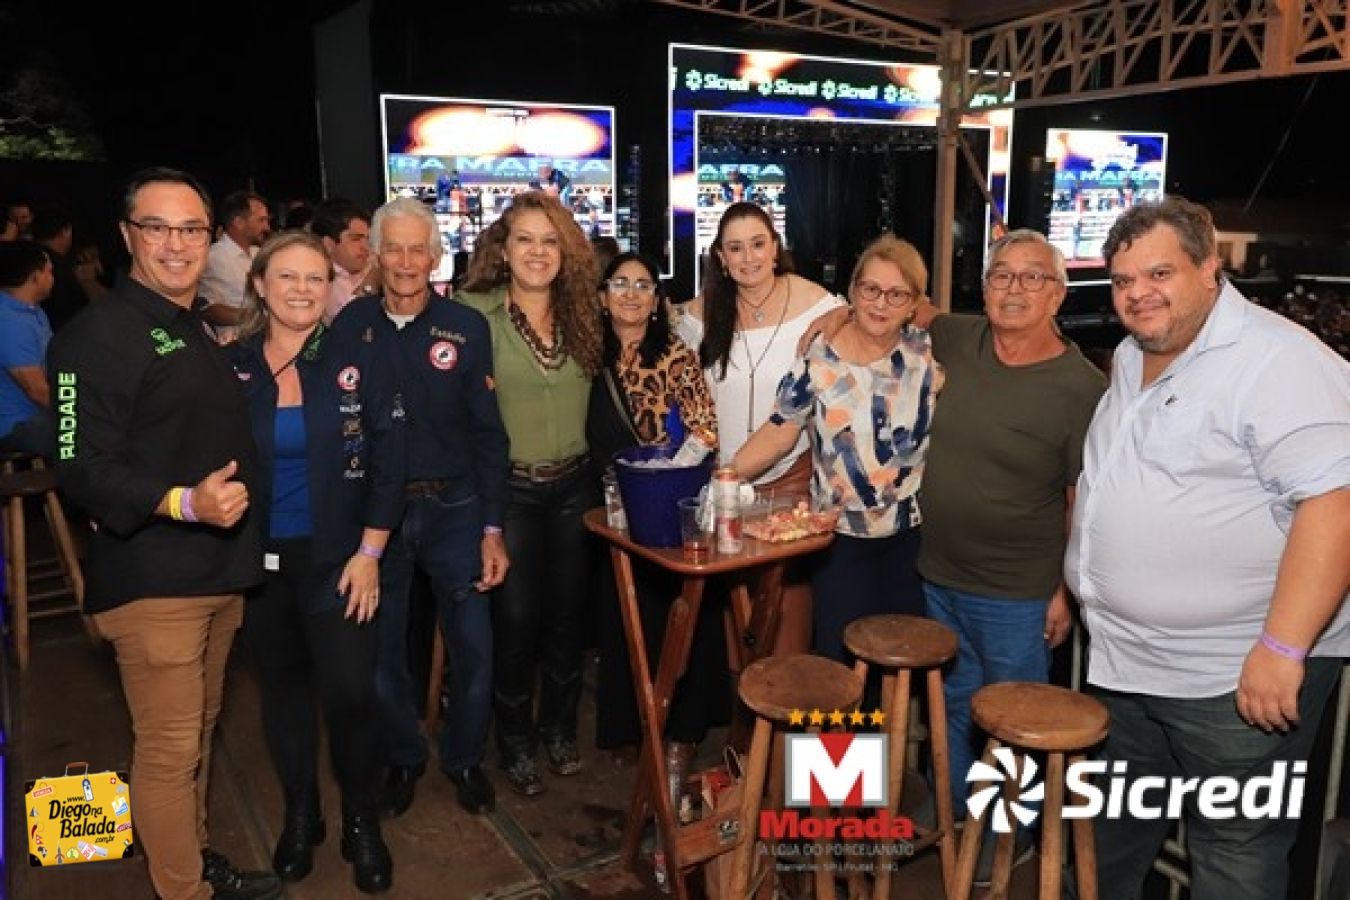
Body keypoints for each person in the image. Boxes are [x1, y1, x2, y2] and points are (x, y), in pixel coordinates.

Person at [1064, 196, 1350, 900]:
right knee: (1111, 833)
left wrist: (1282, 649)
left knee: (1234, 854)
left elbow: (1336, 504)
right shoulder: (1132, 354)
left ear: (1209, 268)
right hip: (1128, 664)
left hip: (1233, 678)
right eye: (1124, 280)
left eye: (1159, 273)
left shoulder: (1278, 360)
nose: (1138, 293)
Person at [47, 167, 278, 900]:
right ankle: (183, 889)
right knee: (170, 750)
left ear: (210, 238)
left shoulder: (189, 324)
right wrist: (183, 504)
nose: (176, 244)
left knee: (198, 733)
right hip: (153, 581)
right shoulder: (94, 337)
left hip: (215, 571)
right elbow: (80, 468)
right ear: (127, 235)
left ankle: (192, 862)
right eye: (157, 227)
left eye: (191, 229)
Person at [227, 230, 405, 893]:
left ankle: (363, 819)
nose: (302, 289)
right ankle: (302, 812)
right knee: (285, 693)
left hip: (343, 561)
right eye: (287, 276)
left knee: (352, 694)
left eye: (314, 278)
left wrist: (370, 552)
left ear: (329, 287)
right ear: (259, 284)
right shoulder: (233, 366)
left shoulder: (359, 359)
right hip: (262, 564)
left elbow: (391, 461)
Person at [330, 197, 510, 818]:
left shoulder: (466, 327)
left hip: (455, 509)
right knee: (381, 648)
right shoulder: (351, 325)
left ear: (435, 257)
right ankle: (404, 756)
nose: (406, 262)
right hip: (376, 523)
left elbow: (489, 434)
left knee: (474, 646)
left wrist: (492, 527)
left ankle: (464, 758)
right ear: (375, 256)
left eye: (418, 250)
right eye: (394, 249)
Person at [730, 235, 940, 660]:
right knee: (840, 667)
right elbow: (779, 430)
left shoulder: (924, 351)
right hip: (840, 542)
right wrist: (725, 478)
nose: (880, 303)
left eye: (896, 294)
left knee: (900, 666)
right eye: (870, 289)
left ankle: (893, 715)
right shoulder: (819, 358)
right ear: (853, 290)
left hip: (911, 541)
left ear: (913, 304)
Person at [457, 190, 602, 797]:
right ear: (503, 248)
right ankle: (514, 739)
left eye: (550, 241)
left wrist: (830, 315)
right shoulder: (471, 314)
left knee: (567, 617)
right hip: (508, 492)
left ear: (566, 252)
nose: (538, 252)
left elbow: (664, 319)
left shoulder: (587, 311)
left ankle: (559, 729)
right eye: (525, 239)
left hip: (576, 487)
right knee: (515, 620)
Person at [674, 201, 845, 654]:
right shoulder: (699, 315)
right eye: (735, 248)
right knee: (736, 617)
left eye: (757, 244)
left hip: (788, 481)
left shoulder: (817, 305)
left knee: (785, 618)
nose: (748, 257)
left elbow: (877, 316)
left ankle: (787, 698)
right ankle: (741, 702)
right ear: (721, 258)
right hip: (721, 487)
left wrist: (843, 315)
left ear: (775, 248)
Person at [586, 251, 723, 777]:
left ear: (657, 300)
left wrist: (663, 473)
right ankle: (627, 726)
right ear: (603, 297)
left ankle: (683, 732)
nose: (631, 293)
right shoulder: (584, 354)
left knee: (679, 614)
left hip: (666, 507)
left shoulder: (676, 355)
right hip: (606, 507)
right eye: (620, 283)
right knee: (621, 613)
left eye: (643, 285)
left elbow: (705, 428)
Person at [0, 240, 56, 457]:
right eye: (49, 272)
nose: (53, 278)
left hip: (37, 413)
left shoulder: (32, 311)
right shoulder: (10, 322)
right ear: (35, 277)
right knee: (96, 439)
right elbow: (38, 392)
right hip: (17, 424)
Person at [201, 189, 272, 342]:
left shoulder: (259, 254)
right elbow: (209, 310)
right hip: (238, 345)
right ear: (239, 222)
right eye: (261, 220)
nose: (267, 227)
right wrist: (258, 318)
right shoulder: (214, 258)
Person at [310, 198, 375, 324]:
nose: (366, 247)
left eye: (367, 239)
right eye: (356, 239)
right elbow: (352, 324)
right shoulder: (322, 280)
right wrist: (371, 282)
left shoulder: (367, 265)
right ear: (329, 244)